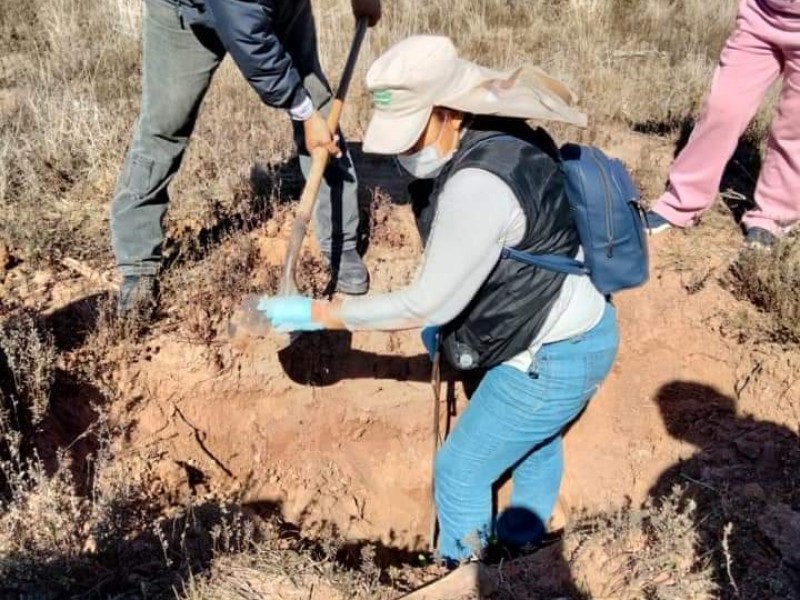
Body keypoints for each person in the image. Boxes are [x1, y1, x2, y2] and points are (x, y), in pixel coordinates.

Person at [256, 36, 620, 566]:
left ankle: (466, 574)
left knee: (460, 470)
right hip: (572, 329)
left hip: (552, 356)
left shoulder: (478, 183)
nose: (404, 151)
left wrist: (316, 313)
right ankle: (526, 547)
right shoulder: (496, 137)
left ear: (448, 113)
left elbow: (422, 305)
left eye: (412, 134)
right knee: (535, 439)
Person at [111, 0, 381, 315]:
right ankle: (137, 262)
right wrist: (303, 112)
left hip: (274, 7)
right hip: (186, 13)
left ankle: (341, 242)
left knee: (319, 103)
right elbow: (251, 42)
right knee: (164, 126)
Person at [647, 0, 800, 249]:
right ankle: (681, 201)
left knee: (793, 128)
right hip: (762, 14)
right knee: (722, 107)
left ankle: (773, 217)